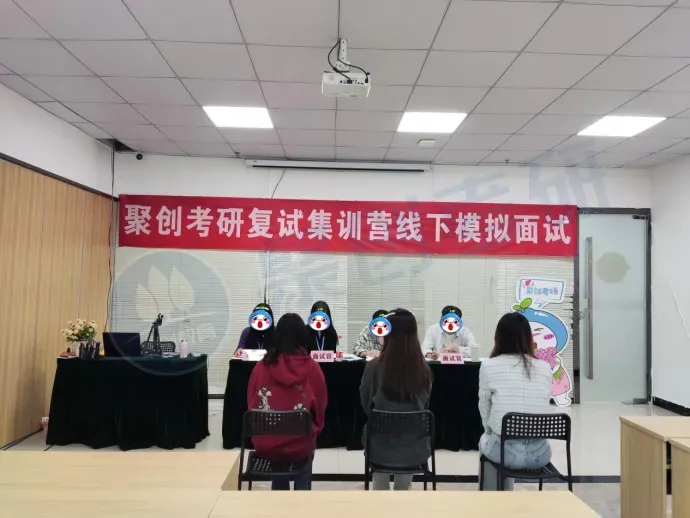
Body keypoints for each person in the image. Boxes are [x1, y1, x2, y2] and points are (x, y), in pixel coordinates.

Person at [247, 313, 327, 490]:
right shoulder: (312, 368)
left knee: (278, 460)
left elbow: (251, 404)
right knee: (304, 456)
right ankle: (301, 500)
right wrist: (314, 430)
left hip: (268, 443)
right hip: (301, 445)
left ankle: (279, 496)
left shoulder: (261, 366)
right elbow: (320, 410)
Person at [478, 312, 553, 491]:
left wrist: (488, 431)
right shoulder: (545, 367)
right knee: (498, 441)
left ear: (498, 338)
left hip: (505, 453)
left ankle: (491, 499)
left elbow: (484, 407)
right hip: (541, 455)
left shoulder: (488, 366)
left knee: (486, 440)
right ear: (528, 338)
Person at [359, 309, 432, 491]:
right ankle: (402, 493)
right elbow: (424, 406)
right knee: (403, 487)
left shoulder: (373, 367)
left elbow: (366, 405)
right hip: (414, 447)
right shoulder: (424, 370)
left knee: (379, 480)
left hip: (379, 447)